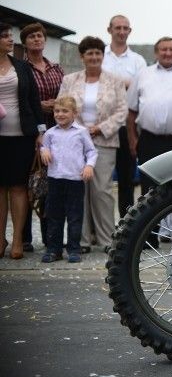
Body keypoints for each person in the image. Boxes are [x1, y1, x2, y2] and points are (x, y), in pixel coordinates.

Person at [58, 36, 128, 252]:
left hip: (104, 141)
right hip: (74, 141)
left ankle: (107, 240)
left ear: (102, 55)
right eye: (90, 53)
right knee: (79, 190)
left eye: (98, 53)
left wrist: (99, 128)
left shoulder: (115, 80)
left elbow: (122, 111)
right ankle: (82, 240)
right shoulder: (69, 80)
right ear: (82, 56)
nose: (94, 57)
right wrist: (78, 129)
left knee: (101, 191)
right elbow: (61, 106)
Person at [127, 38, 172, 196]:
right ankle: (153, 222)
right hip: (149, 141)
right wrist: (132, 140)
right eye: (163, 49)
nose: (168, 53)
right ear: (156, 52)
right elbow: (131, 112)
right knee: (149, 190)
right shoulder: (142, 74)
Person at [0, 23, 45, 259]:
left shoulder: (22, 67)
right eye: (5, 36)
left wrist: (40, 132)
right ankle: (0, 239)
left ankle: (17, 240)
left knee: (18, 187)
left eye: (10, 36)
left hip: (21, 136)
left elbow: (34, 100)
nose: (10, 40)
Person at [20, 22, 65, 252]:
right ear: (24, 42)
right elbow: (20, 99)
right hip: (29, 134)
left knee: (52, 186)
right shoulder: (21, 68)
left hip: (57, 132)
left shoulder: (56, 69)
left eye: (39, 36)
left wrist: (57, 106)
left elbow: (66, 96)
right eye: (31, 37)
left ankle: (51, 237)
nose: (36, 40)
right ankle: (25, 238)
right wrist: (40, 106)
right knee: (29, 183)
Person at [39, 96, 97, 263]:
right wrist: (44, 151)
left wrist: (89, 166)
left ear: (74, 113)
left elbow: (91, 152)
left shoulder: (81, 132)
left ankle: (73, 249)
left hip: (74, 180)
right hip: (55, 179)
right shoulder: (50, 133)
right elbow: (44, 146)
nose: (60, 114)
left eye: (65, 111)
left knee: (74, 216)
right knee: (54, 216)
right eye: (57, 111)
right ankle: (53, 250)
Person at [101, 15, 147, 219]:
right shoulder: (99, 55)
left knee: (127, 179)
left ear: (130, 31)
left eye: (125, 28)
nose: (121, 31)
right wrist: (126, 83)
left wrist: (112, 82)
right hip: (102, 125)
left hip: (127, 125)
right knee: (100, 181)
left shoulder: (138, 60)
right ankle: (98, 230)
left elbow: (141, 88)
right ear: (109, 29)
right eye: (117, 28)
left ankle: (125, 224)